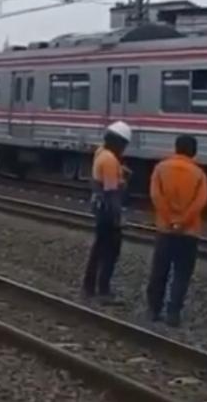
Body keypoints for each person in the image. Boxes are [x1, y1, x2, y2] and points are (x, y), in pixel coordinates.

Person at [146, 134, 207, 327]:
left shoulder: (160, 168)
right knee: (182, 273)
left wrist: (170, 220)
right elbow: (200, 202)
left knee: (159, 271)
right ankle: (173, 313)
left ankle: (153, 310)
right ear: (194, 151)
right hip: (189, 232)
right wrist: (182, 221)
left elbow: (156, 196)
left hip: (165, 230)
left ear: (176, 148)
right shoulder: (199, 174)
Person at [82, 121, 132, 302]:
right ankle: (103, 290)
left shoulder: (101, 153)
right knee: (110, 251)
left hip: (99, 208)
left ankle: (89, 287)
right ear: (118, 142)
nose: (124, 149)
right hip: (108, 211)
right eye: (124, 144)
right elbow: (112, 193)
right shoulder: (110, 159)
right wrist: (119, 217)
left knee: (98, 248)